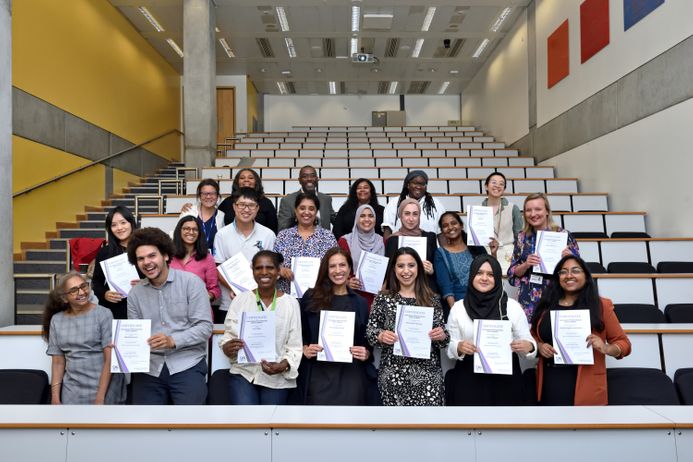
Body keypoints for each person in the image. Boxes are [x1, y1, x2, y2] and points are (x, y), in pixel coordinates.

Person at [126, 228, 213, 405]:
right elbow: (135, 335)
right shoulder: (135, 294)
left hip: (187, 364)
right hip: (149, 369)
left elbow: (205, 328)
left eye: (152, 256)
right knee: (143, 425)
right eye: (141, 259)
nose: (147, 263)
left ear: (165, 255)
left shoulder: (191, 283)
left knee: (190, 426)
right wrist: (124, 345)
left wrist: (172, 340)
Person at [531, 255, 631, 406]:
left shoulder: (601, 306)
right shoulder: (546, 305)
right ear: (558, 277)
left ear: (586, 275)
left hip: (586, 384)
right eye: (563, 272)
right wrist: (539, 346)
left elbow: (624, 344)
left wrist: (605, 347)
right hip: (550, 381)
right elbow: (533, 335)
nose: (569, 275)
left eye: (575, 271)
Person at [445, 255, 536, 406]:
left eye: (490, 274)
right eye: (479, 273)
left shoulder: (512, 307)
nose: (484, 278)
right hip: (469, 379)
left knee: (505, 426)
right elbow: (450, 346)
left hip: (506, 381)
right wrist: (459, 347)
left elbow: (529, 345)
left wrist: (528, 346)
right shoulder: (458, 308)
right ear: (472, 275)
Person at [366, 247, 449, 406]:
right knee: (394, 429)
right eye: (400, 266)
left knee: (426, 428)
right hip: (392, 377)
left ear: (418, 267)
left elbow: (444, 340)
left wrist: (442, 335)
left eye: (411, 265)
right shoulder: (383, 299)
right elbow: (370, 332)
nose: (406, 271)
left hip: (427, 377)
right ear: (394, 269)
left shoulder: (432, 299)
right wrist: (381, 335)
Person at [219, 250, 302, 405]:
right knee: (247, 422)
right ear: (253, 272)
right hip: (244, 372)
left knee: (270, 424)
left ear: (278, 271)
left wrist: (283, 365)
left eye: (270, 267)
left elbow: (295, 345)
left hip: (276, 376)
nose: (264, 272)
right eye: (258, 268)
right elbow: (228, 337)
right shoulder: (240, 300)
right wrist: (227, 347)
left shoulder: (291, 303)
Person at [299, 248, 376, 405]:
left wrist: (366, 353)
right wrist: (304, 348)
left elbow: (366, 341)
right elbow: (299, 331)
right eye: (332, 266)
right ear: (326, 270)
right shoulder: (311, 297)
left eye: (342, 265)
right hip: (318, 374)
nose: (338, 270)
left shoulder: (360, 303)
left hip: (350, 376)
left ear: (350, 269)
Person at [43, 271, 126, 405]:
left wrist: (100, 397)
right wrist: (55, 397)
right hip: (73, 389)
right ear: (65, 298)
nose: (81, 292)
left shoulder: (103, 314)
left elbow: (109, 359)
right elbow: (58, 362)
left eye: (84, 286)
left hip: (105, 387)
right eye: (74, 290)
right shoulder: (57, 320)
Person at [508, 192, 580, 320]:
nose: (533, 214)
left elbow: (579, 271)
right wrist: (526, 265)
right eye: (528, 210)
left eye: (538, 209)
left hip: (558, 295)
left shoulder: (563, 235)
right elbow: (513, 272)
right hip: (528, 299)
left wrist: (570, 258)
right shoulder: (522, 237)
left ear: (547, 211)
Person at [213, 188, 276, 322]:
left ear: (257, 208)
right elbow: (218, 267)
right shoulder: (222, 235)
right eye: (242, 205)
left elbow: (273, 268)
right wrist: (236, 289)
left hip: (261, 302)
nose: (246, 209)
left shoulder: (268, 234)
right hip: (230, 302)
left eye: (251, 205)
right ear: (234, 207)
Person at [273, 192, 338, 296]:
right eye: (302, 208)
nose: (306, 212)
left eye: (311, 209)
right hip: (287, 298)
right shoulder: (283, 236)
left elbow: (335, 266)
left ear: (316, 211)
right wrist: (280, 270)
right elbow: (272, 265)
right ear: (295, 210)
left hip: (319, 297)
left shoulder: (327, 237)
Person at [435, 212, 492, 312]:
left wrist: (494, 252)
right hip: (459, 305)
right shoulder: (440, 253)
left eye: (454, 223)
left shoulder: (477, 247)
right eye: (445, 226)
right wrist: (456, 313)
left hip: (484, 301)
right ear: (442, 232)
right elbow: (446, 286)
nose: (450, 227)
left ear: (461, 225)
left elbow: (491, 272)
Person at [91, 205, 141, 320]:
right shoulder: (105, 252)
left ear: (131, 223)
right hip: (113, 310)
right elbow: (96, 282)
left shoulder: (144, 248)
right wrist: (105, 294)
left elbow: (157, 277)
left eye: (123, 223)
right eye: (114, 225)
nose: (119, 228)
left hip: (141, 307)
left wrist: (144, 284)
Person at [384, 198, 439, 296]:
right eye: (407, 213)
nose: (411, 219)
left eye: (415, 214)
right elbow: (389, 272)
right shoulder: (393, 240)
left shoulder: (430, 237)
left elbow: (439, 271)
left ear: (419, 216)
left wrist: (432, 270)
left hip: (426, 290)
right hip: (399, 292)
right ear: (400, 216)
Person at [337, 204, 385, 307]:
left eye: (371, 216)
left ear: (375, 219)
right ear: (356, 219)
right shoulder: (345, 241)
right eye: (362, 216)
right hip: (352, 296)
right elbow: (338, 268)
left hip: (377, 298)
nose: (367, 219)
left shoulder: (383, 241)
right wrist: (347, 282)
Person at [170, 215, 221, 303]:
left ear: (199, 233)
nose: (191, 232)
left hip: (199, 310)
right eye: (186, 228)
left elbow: (214, 289)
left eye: (195, 229)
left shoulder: (207, 258)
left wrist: (204, 298)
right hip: (173, 309)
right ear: (179, 231)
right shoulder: (169, 256)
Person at [382, 170, 445, 239]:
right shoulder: (394, 203)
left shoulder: (436, 204)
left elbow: (440, 232)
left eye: (422, 184)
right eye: (415, 183)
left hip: (428, 247)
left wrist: (442, 249)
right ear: (408, 185)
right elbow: (387, 229)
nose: (418, 187)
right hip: (399, 248)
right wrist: (388, 247)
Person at [482, 172, 523, 273]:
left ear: (504, 188)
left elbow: (519, 236)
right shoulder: (477, 208)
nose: (497, 186)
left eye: (501, 184)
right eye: (494, 182)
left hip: (507, 254)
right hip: (484, 253)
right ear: (486, 186)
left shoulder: (513, 208)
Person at [217, 168, 278, 233]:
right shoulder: (227, 202)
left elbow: (273, 229)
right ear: (237, 182)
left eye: (251, 178)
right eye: (242, 178)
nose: (246, 180)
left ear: (256, 182)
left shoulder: (266, 203)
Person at [277, 165, 335, 231]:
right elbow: (282, 229)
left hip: (324, 240)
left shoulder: (326, 199)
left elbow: (337, 222)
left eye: (312, 176)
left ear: (317, 179)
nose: (309, 179)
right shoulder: (287, 201)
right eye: (305, 176)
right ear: (299, 180)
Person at [179, 178, 226, 253]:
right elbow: (177, 236)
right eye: (204, 193)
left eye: (212, 193)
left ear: (217, 196)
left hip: (213, 261)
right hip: (189, 259)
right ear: (199, 196)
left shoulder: (222, 216)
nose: (208, 196)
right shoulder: (188, 212)